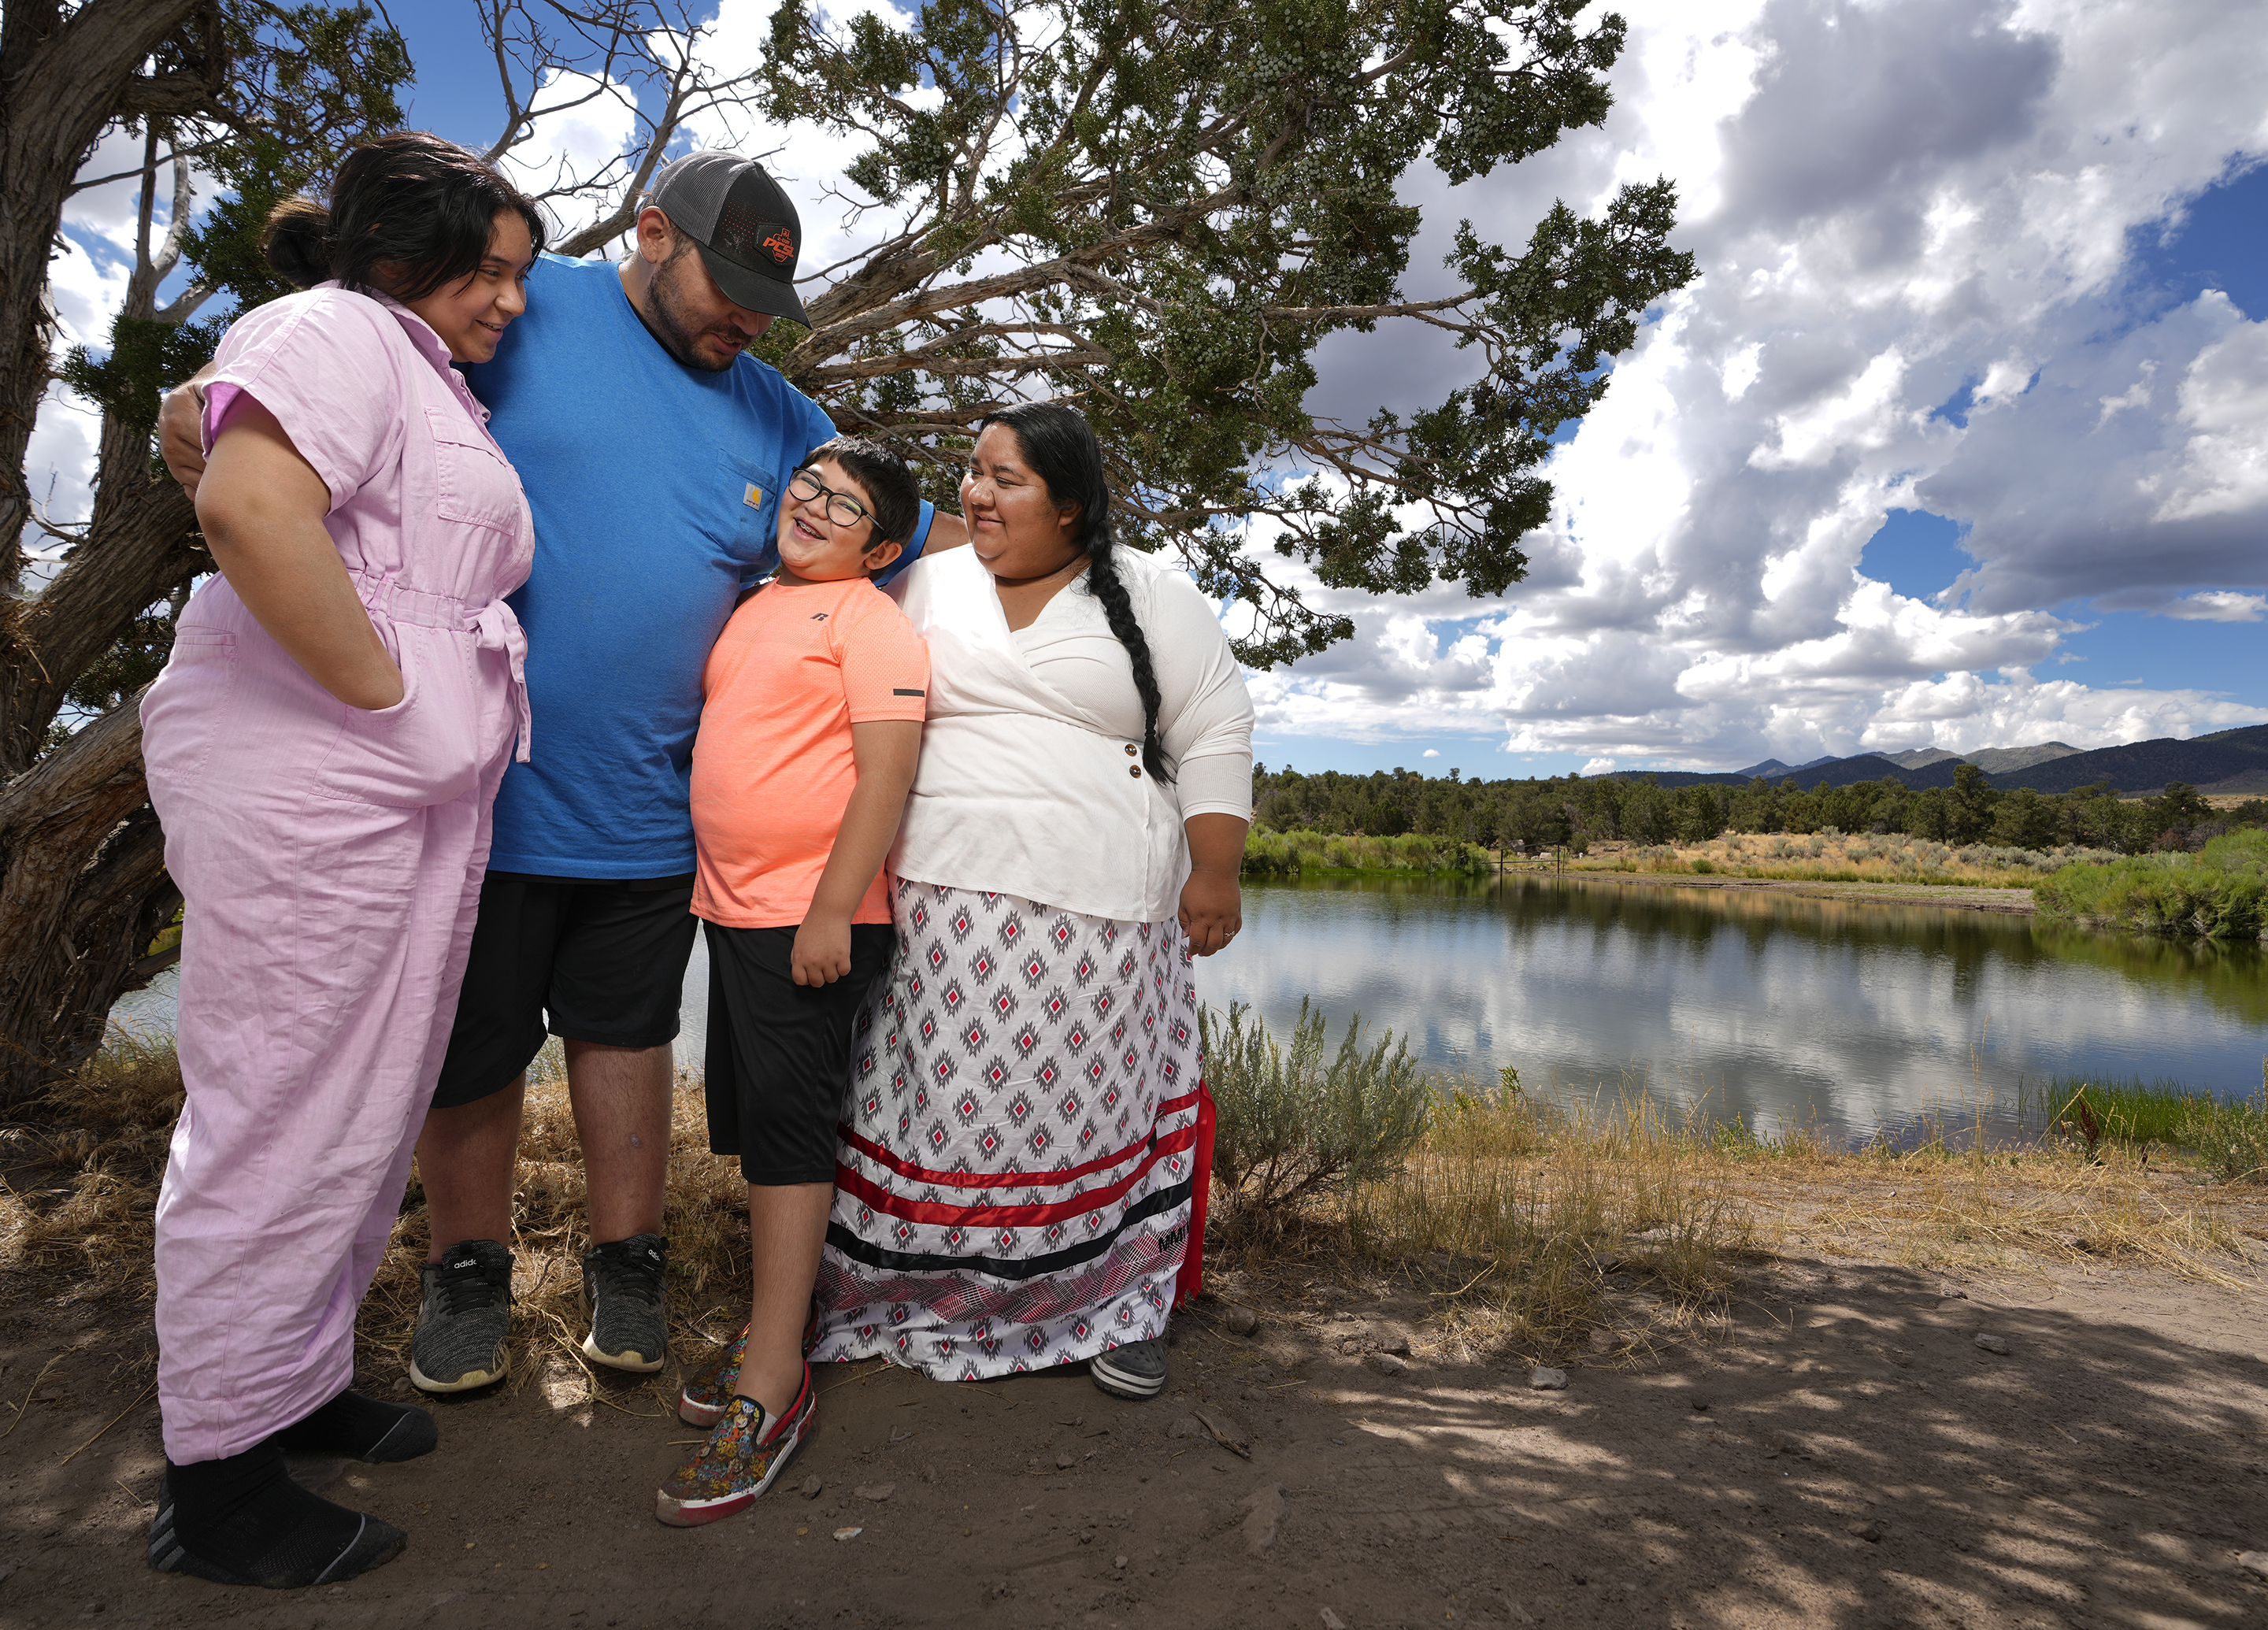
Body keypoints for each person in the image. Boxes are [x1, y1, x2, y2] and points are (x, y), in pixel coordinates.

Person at [162, 151, 966, 1397]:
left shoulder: (770, 407)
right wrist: (205, 393)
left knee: (625, 1034)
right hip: (466, 792)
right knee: (470, 1053)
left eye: (769, 306)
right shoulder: (527, 304)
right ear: (652, 232)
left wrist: (1059, 547)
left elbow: (904, 522)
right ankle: (467, 1269)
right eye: (728, 292)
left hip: (647, 805)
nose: (746, 325)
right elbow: (334, 359)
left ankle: (627, 1262)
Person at [139, 132, 543, 1587]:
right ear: (396, 248)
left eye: (519, 276)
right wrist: (395, 706)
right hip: (320, 779)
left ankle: (287, 1392)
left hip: (391, 797)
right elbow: (247, 509)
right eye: (487, 268)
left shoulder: (416, 370)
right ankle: (216, 1487)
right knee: (280, 1105)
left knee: (362, 1106)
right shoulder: (332, 329)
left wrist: (429, 733)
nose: (508, 301)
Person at [808, 401, 1252, 1399]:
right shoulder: (925, 584)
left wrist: (1213, 869)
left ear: (1073, 508)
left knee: (1087, 1113)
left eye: (1005, 479)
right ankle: (894, 1295)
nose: (975, 493)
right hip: (938, 904)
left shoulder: (1149, 592)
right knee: (938, 1116)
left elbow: (1216, 724)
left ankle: (1113, 1303)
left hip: (1104, 914)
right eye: (972, 472)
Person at [656, 439, 929, 1525]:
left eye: (845, 504)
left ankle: (779, 1379)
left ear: (884, 546)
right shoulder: (760, 602)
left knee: (789, 1129)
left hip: (813, 918)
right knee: (761, 1123)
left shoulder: (872, 621)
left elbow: (889, 773)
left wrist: (831, 905)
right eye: (808, 486)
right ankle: (776, 1325)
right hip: (737, 913)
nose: (813, 507)